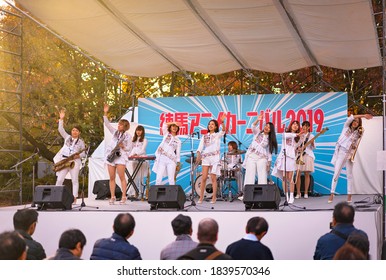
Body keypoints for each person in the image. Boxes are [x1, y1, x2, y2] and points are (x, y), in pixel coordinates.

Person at [328, 113, 372, 203]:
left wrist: (354, 146)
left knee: (349, 175)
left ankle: (349, 195)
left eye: (357, 122)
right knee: (336, 173)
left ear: (359, 124)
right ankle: (332, 194)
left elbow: (356, 144)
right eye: (354, 121)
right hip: (341, 152)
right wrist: (363, 116)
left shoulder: (359, 132)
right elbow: (350, 117)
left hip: (349, 154)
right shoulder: (346, 127)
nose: (355, 122)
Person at [54, 109, 86, 204]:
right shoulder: (67, 137)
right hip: (64, 160)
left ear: (79, 132)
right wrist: (61, 119)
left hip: (74, 162)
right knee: (60, 178)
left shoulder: (81, 142)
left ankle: (74, 198)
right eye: (73, 130)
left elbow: (84, 153)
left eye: (76, 130)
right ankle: (55, 196)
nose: (74, 132)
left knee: (74, 180)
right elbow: (61, 130)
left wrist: (78, 156)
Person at [103, 104, 132, 205]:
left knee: (122, 177)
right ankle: (112, 196)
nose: (118, 125)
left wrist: (123, 146)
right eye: (118, 124)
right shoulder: (115, 133)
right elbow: (107, 124)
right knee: (111, 177)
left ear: (125, 126)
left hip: (120, 157)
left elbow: (129, 148)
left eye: (120, 124)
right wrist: (105, 113)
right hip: (111, 156)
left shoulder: (128, 136)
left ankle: (124, 196)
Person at [196, 114, 227, 204]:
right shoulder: (204, 136)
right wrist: (198, 154)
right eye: (209, 124)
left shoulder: (217, 135)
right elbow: (200, 147)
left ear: (216, 126)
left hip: (215, 158)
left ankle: (214, 197)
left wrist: (222, 122)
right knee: (204, 178)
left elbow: (224, 130)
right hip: (206, 157)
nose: (210, 125)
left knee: (213, 178)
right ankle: (201, 197)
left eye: (212, 124)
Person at [243, 113, 278, 188]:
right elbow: (253, 126)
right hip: (251, 156)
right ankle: (247, 194)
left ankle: (263, 194)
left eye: (269, 127)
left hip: (262, 158)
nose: (266, 128)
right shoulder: (258, 132)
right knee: (249, 174)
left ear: (271, 130)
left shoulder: (270, 139)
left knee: (262, 175)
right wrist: (257, 120)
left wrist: (269, 163)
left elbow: (269, 152)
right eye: (266, 126)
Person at [272, 120, 302, 204]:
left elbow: (296, 148)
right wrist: (296, 134)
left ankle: (292, 196)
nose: (295, 125)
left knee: (290, 178)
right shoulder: (285, 134)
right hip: (283, 157)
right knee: (284, 178)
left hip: (292, 158)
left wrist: (298, 149)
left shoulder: (298, 139)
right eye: (294, 124)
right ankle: (286, 196)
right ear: (291, 125)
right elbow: (286, 135)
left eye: (297, 124)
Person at [152, 120, 182, 186]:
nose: (175, 127)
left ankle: (172, 195)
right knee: (158, 178)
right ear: (170, 127)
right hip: (162, 158)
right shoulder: (166, 134)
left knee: (171, 179)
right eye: (173, 126)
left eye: (176, 127)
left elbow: (178, 152)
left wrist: (178, 162)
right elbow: (164, 124)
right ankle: (156, 195)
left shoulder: (178, 140)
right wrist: (174, 122)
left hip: (171, 160)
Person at [294, 121, 315, 199]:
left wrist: (312, 143)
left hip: (308, 155)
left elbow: (313, 148)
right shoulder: (299, 135)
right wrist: (298, 148)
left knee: (307, 174)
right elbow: (295, 145)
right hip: (299, 156)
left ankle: (306, 192)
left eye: (306, 126)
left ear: (309, 127)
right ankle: (298, 193)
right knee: (298, 174)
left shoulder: (311, 135)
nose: (304, 127)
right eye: (303, 125)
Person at [127, 125, 148, 200]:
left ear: (142, 131)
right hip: (133, 159)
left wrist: (136, 154)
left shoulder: (144, 140)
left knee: (141, 177)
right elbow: (130, 149)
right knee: (134, 176)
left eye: (140, 130)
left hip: (141, 158)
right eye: (137, 130)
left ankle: (142, 194)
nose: (138, 132)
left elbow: (142, 150)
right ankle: (135, 193)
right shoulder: (133, 140)